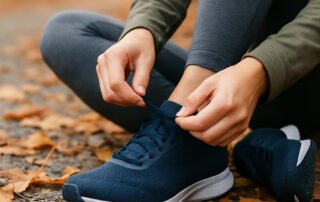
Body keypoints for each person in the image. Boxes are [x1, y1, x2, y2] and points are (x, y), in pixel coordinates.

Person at [40, 0, 320, 201]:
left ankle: (190, 136)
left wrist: (261, 69)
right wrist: (143, 30)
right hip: (239, 75)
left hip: (302, 76)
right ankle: (210, 136)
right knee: (65, 32)